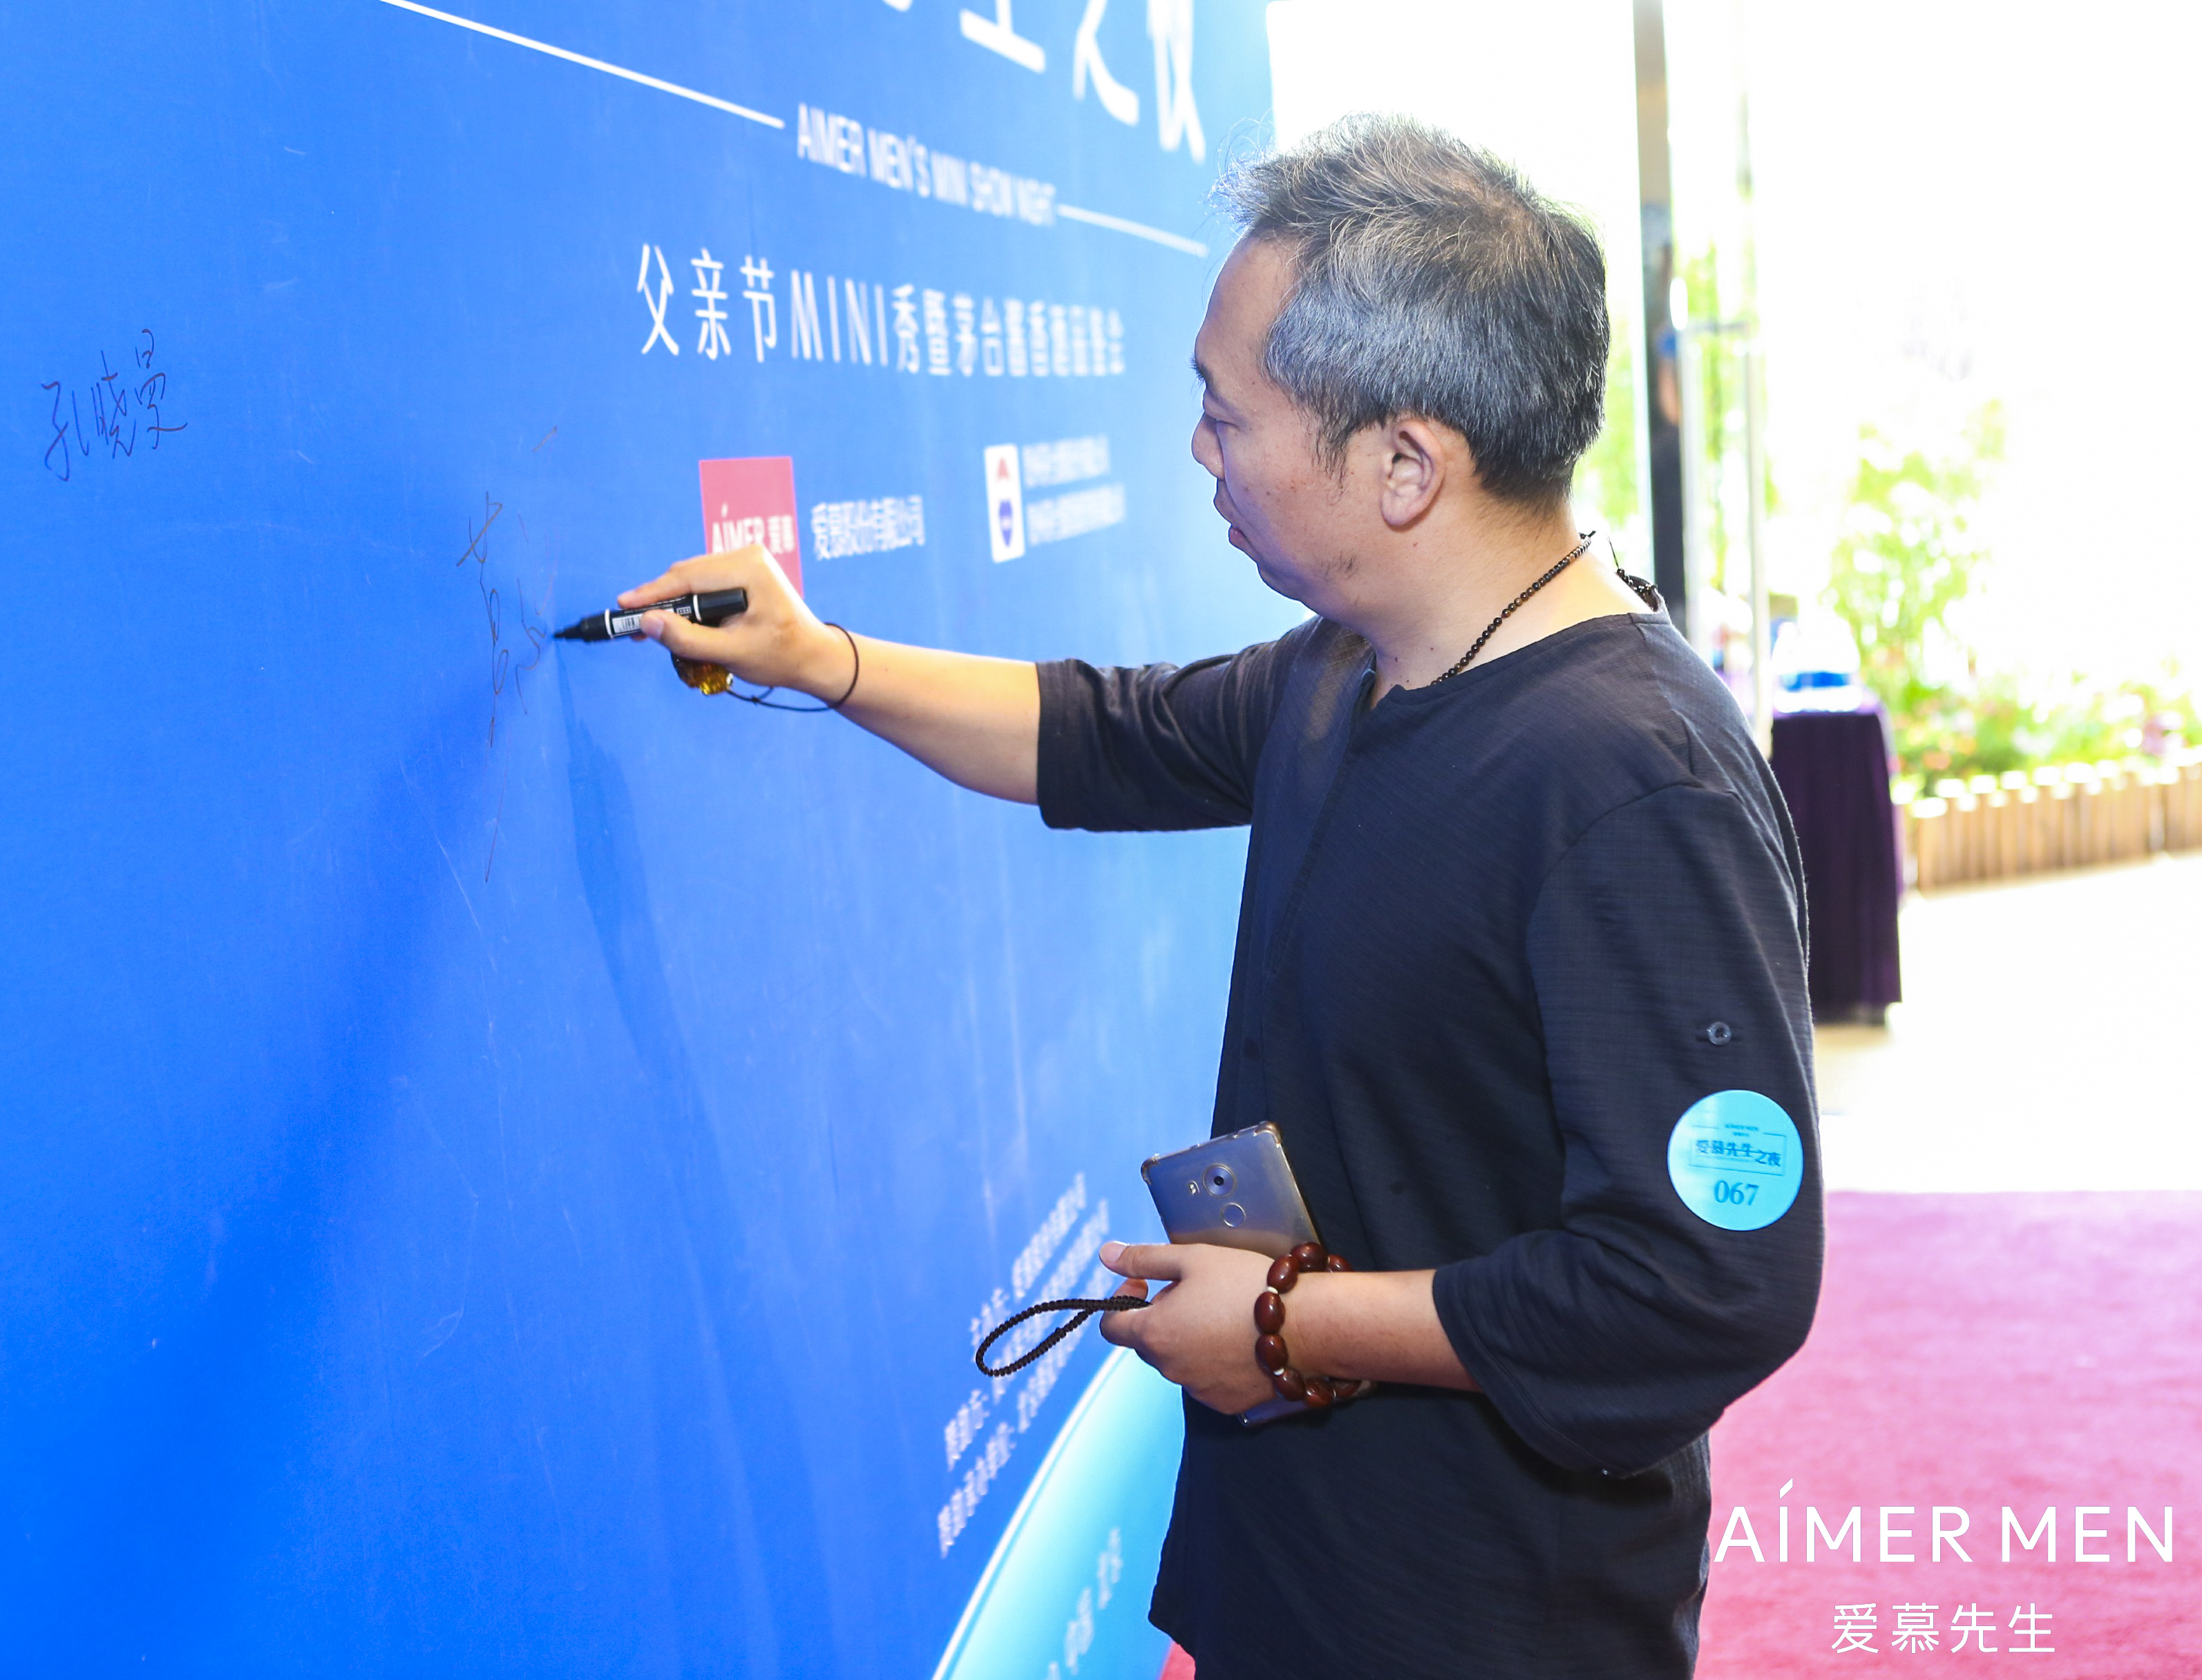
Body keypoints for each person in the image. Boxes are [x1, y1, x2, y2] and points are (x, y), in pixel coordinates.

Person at [619, 115, 1821, 1679]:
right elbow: (1098, 734)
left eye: (1226, 413)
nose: (1201, 452)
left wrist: (1284, 1325)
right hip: (1306, 1560)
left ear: (1404, 464)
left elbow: (1704, 1288)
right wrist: (820, 657)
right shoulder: (1351, 668)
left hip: (1485, 1614)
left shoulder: (1633, 784)